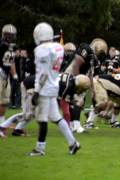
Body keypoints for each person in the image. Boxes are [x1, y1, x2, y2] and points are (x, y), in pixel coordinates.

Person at [29, 22, 80, 156]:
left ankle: (40, 149)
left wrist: (36, 91)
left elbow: (43, 73)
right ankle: (73, 143)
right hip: (54, 85)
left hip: (45, 87)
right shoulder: (58, 47)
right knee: (56, 117)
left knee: (42, 118)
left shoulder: (42, 50)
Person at [0, 24, 18, 124]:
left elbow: (11, 62)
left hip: (5, 76)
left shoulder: (13, 47)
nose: (10, 37)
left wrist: (15, 75)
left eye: (12, 35)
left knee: (4, 101)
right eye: (8, 35)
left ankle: (1, 123)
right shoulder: (1, 45)